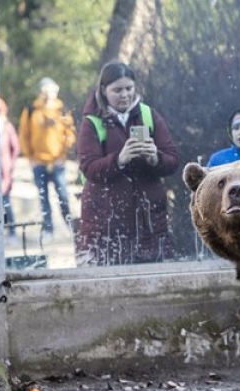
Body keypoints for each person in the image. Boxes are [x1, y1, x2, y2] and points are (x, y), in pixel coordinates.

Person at [76, 61, 179, 266]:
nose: (124, 95)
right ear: (104, 91)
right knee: (109, 280)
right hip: (106, 221)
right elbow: (89, 168)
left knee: (153, 280)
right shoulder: (92, 122)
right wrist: (119, 160)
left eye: (129, 88)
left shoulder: (149, 115)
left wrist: (155, 158)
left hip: (149, 220)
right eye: (117, 90)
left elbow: (173, 160)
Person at [18, 77, 76, 239]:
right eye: (46, 91)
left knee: (63, 195)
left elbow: (70, 132)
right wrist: (30, 157)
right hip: (39, 161)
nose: (49, 94)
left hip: (58, 162)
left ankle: (71, 227)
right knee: (44, 198)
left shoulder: (62, 110)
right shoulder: (31, 110)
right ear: (41, 92)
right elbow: (24, 135)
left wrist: (64, 153)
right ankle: (49, 229)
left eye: (52, 91)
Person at [0, 97, 20, 242]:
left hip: (4, 170)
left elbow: (15, 147)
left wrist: (10, 165)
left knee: (5, 201)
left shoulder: (7, 126)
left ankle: (12, 231)